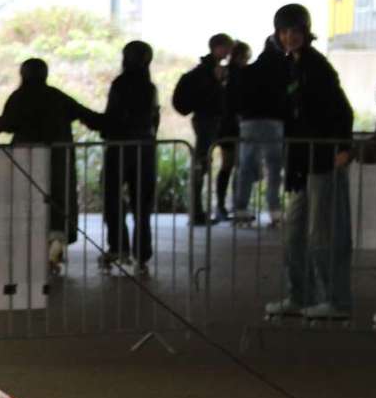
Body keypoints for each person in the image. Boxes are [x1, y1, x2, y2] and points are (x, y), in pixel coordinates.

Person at [257, 3, 355, 320]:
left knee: (322, 235)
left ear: (305, 32)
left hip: (324, 162)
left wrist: (344, 147)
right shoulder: (293, 65)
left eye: (295, 31)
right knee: (294, 234)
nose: (289, 37)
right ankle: (300, 296)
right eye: (284, 31)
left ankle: (336, 301)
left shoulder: (317, 67)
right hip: (302, 165)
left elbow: (342, 111)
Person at [0, 58, 91, 259]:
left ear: (23, 74)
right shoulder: (57, 97)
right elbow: (88, 116)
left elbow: (5, 125)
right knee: (58, 200)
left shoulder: (19, 97)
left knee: (28, 201)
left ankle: (31, 246)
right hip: (58, 160)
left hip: (26, 160)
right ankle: (56, 240)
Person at [80, 41, 160, 271]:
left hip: (119, 148)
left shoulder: (121, 83)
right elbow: (153, 120)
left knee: (112, 197)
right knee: (142, 204)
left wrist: (88, 118)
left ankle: (118, 247)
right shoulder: (150, 87)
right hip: (145, 149)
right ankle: (142, 253)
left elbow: (113, 118)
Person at [172, 34, 235, 225]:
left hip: (210, 120)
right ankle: (197, 211)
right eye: (227, 47)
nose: (229, 52)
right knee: (202, 163)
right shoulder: (207, 72)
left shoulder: (207, 70)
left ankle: (199, 210)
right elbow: (208, 95)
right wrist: (217, 82)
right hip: (207, 120)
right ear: (218, 48)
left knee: (203, 162)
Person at [232, 36, 285, 228]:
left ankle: (241, 210)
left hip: (249, 122)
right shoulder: (283, 70)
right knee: (274, 168)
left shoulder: (248, 71)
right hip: (274, 123)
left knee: (246, 167)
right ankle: (275, 211)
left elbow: (237, 97)